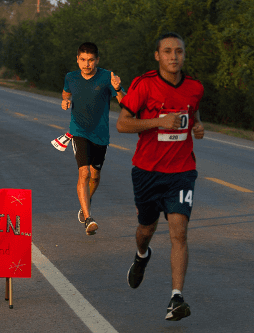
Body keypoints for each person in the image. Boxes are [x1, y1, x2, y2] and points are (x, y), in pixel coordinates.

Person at [116, 32, 204, 321]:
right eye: (167, 51)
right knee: (146, 229)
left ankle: (176, 298)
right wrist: (158, 121)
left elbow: (193, 111)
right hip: (147, 171)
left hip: (181, 173)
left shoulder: (194, 87)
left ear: (184, 55)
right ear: (157, 55)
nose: (173, 56)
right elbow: (122, 124)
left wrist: (198, 126)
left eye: (178, 51)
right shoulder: (144, 85)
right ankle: (142, 255)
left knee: (179, 233)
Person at [61, 42, 126, 235]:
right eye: (82, 60)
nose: (86, 64)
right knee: (84, 173)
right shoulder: (70, 77)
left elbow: (126, 104)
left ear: (97, 60)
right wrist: (65, 100)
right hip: (79, 132)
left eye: (90, 60)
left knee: (95, 176)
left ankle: (85, 204)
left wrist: (119, 88)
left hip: (101, 135)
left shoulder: (107, 77)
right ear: (77, 59)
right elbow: (66, 93)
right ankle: (88, 218)